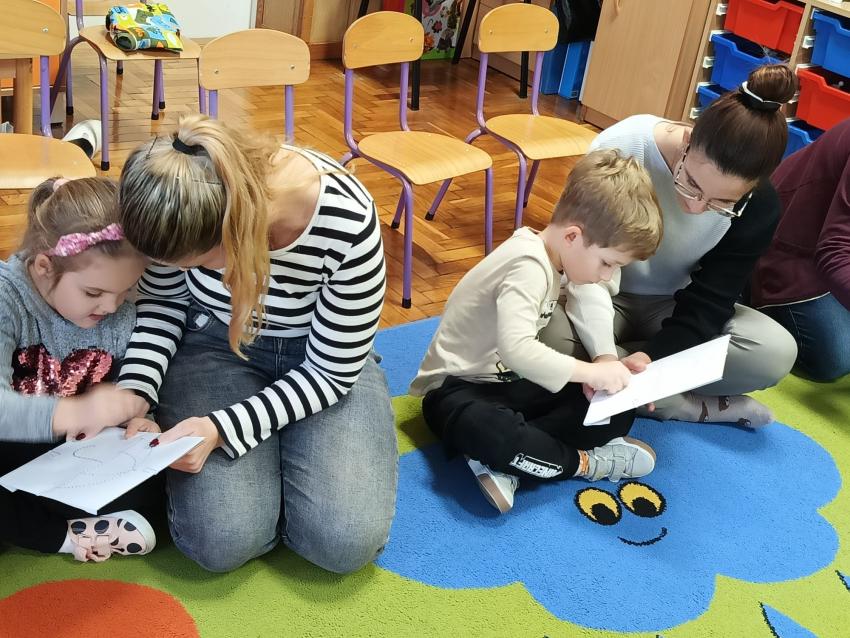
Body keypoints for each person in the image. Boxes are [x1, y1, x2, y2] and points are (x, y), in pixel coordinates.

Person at [115, 114, 397, 574]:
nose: (186, 272)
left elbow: (331, 373)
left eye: (197, 265)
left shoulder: (346, 217)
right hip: (215, 344)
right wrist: (137, 394)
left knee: (343, 543)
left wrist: (223, 428)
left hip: (322, 360)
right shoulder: (176, 198)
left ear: (236, 232)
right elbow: (163, 303)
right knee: (221, 541)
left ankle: (281, 464)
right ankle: (274, 468)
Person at [539, 64, 799, 427]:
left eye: (721, 203)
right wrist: (604, 356)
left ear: (752, 187)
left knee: (773, 352)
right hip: (595, 294)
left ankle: (621, 388)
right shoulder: (624, 148)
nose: (695, 206)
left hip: (671, 306)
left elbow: (708, 305)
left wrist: (648, 357)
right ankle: (681, 403)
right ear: (687, 139)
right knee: (539, 335)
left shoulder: (759, 205)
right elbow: (579, 264)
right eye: (690, 182)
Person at [409, 149, 663, 514]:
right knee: (485, 429)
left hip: (507, 386)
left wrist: (608, 371)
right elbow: (517, 350)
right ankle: (584, 464)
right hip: (454, 390)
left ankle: (510, 461)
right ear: (573, 236)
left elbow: (536, 358)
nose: (607, 276)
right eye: (607, 263)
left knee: (616, 409)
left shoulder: (557, 257)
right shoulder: (527, 264)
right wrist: (590, 372)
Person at [0, 176, 160, 562]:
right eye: (93, 293)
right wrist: (76, 411)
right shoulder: (7, 299)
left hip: (70, 460)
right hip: (14, 444)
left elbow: (128, 388)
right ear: (44, 267)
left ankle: (49, 523)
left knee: (164, 487)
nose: (110, 306)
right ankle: (63, 536)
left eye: (124, 291)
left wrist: (141, 422)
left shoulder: (117, 307)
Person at [750, 117, 850, 382]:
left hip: (833, 241)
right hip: (790, 244)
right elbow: (834, 251)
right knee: (836, 357)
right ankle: (749, 293)